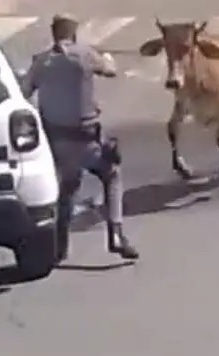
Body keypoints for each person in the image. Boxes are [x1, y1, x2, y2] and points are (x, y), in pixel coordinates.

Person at [21, 14, 140, 263]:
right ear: (74, 34)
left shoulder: (42, 62)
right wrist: (106, 58)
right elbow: (110, 70)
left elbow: (24, 92)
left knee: (67, 188)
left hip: (58, 142)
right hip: (87, 139)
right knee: (112, 174)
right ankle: (116, 233)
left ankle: (61, 245)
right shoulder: (85, 55)